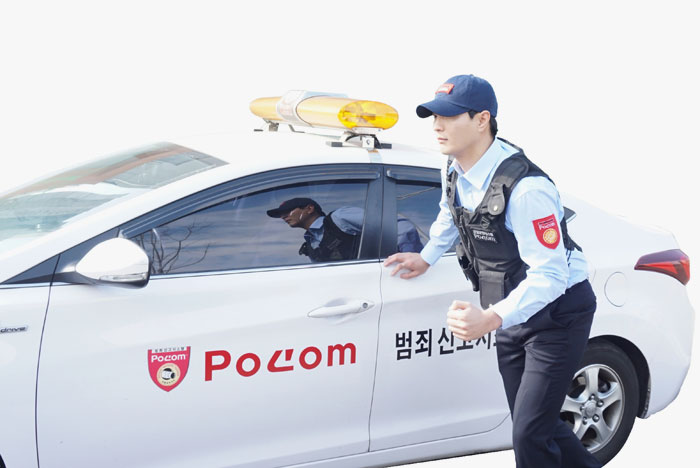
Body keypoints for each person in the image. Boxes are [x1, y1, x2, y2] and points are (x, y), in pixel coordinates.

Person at [383, 75, 601, 468]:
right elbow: (450, 212)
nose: (437, 126)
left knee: (529, 435)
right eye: (434, 117)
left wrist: (490, 318)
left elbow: (550, 276)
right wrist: (427, 256)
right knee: (536, 425)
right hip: (511, 310)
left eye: (449, 117)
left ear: (482, 119)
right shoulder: (454, 168)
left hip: (558, 314)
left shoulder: (526, 190)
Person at [267, 197, 423, 262]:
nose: (283, 216)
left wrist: (410, 260)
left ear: (309, 209)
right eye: (281, 214)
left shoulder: (340, 218)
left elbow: (399, 226)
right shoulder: (310, 245)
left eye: (288, 211)